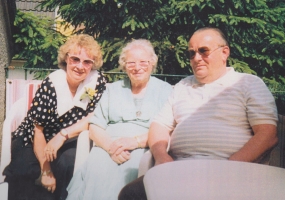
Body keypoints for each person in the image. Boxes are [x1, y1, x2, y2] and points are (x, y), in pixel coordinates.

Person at [118, 27, 278, 199]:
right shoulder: (182, 86)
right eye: (191, 53)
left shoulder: (248, 83)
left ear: (224, 52)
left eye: (204, 51)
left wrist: (231, 166)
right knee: (131, 194)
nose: (196, 58)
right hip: (179, 170)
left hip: (232, 171)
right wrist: (161, 156)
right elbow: (159, 125)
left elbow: (267, 134)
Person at [3, 34, 107, 200]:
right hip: (34, 136)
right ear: (66, 59)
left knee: (70, 164)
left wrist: (62, 135)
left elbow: (94, 116)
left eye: (87, 62)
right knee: (24, 169)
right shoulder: (52, 84)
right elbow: (38, 130)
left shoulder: (96, 82)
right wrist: (46, 170)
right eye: (75, 59)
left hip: (70, 138)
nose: (80, 66)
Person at [66, 39, 173, 200]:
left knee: (132, 167)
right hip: (107, 147)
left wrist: (135, 142)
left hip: (143, 149)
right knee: (96, 167)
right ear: (124, 66)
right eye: (131, 63)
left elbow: (170, 129)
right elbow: (95, 126)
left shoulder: (166, 90)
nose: (137, 68)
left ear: (152, 63)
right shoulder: (113, 90)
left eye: (143, 62)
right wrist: (110, 147)